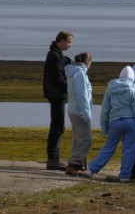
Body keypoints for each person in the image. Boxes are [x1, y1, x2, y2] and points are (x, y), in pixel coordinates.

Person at [83, 65, 135, 182]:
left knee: (108, 147)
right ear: (132, 77)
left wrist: (104, 127)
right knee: (129, 149)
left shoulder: (111, 89)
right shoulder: (133, 90)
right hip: (131, 122)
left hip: (115, 122)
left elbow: (105, 110)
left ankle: (91, 169)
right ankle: (124, 176)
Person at [43, 30, 73, 171]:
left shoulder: (58, 55)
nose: (70, 45)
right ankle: (54, 159)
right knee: (58, 126)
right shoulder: (54, 55)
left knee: (57, 125)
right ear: (61, 40)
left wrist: (75, 63)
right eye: (69, 42)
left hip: (57, 94)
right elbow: (58, 77)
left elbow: (66, 61)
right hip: (56, 94)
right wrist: (71, 85)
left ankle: (54, 158)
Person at [64, 52, 93, 176]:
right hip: (79, 111)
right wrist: (86, 113)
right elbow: (82, 96)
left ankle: (75, 164)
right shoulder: (80, 73)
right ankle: (74, 164)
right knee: (86, 139)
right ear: (88, 62)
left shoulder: (73, 72)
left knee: (78, 139)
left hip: (73, 109)